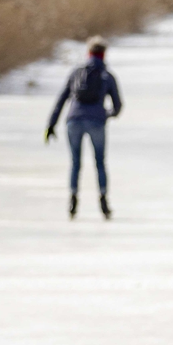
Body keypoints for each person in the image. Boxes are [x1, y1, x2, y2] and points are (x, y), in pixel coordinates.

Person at [45, 36, 122, 220]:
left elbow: (62, 99)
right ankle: (103, 200)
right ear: (103, 54)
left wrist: (51, 124)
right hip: (96, 122)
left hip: (74, 120)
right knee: (100, 162)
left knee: (75, 163)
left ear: (89, 53)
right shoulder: (107, 76)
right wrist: (106, 114)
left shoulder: (76, 72)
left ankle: (73, 200)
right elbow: (118, 106)